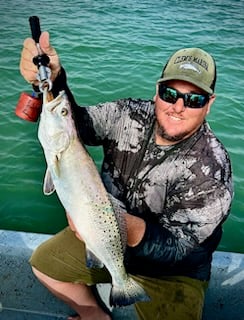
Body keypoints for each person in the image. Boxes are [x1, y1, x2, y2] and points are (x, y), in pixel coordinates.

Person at [20, 31, 233, 320]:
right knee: (43, 264)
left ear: (210, 103)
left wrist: (122, 227)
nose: (178, 107)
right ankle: (96, 314)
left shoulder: (212, 169)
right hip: (101, 236)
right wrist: (53, 81)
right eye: (170, 94)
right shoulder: (126, 113)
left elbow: (182, 250)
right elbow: (77, 125)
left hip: (173, 272)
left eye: (194, 99)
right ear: (157, 92)